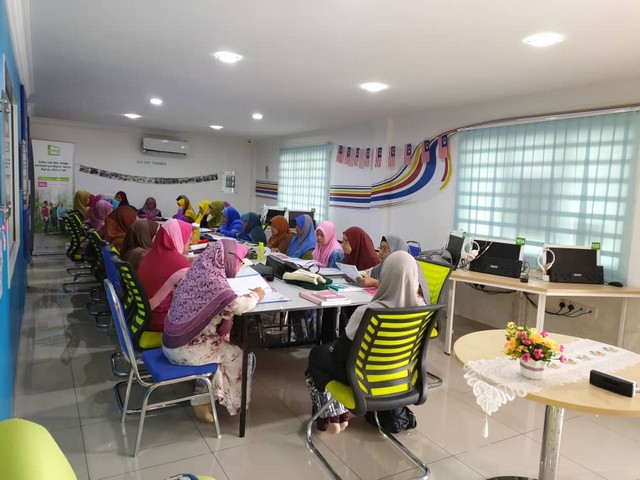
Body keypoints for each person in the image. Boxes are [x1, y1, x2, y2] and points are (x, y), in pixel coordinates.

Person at [306, 251, 428, 433]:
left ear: (385, 277)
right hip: (403, 377)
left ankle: (331, 416)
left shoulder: (368, 312)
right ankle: (336, 416)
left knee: (317, 356)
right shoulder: (422, 311)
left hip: (363, 379)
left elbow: (341, 354)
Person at [163, 239, 264, 421]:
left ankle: (207, 396)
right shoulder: (216, 283)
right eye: (239, 261)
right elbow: (238, 305)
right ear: (228, 258)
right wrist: (257, 294)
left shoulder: (196, 272)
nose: (240, 265)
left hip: (171, 341)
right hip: (186, 349)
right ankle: (204, 401)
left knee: (221, 347)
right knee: (237, 356)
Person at [138, 219, 193, 333]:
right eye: (188, 237)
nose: (191, 241)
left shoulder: (151, 254)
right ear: (177, 237)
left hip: (142, 316)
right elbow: (194, 293)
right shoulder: (179, 263)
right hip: (161, 321)